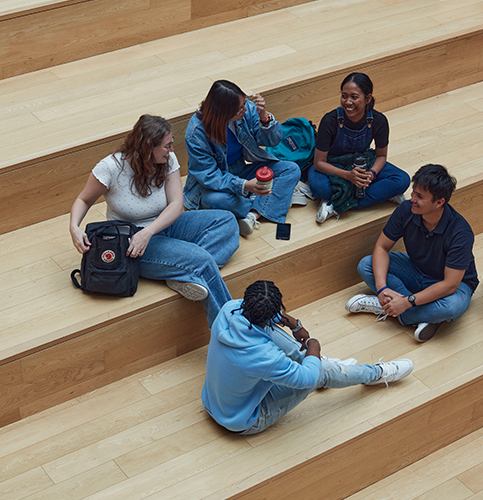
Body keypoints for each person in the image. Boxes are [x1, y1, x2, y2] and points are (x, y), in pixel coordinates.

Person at [69, 114, 239, 327]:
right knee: (201, 260)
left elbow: (177, 204)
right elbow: (83, 200)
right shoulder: (111, 167)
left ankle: (183, 274)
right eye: (167, 146)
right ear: (148, 147)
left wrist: (149, 232)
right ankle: (231, 331)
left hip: (161, 225)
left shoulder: (167, 160)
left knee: (227, 221)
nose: (172, 150)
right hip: (132, 242)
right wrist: (74, 227)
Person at [202, 280, 414, 434]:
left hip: (214, 401)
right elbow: (308, 379)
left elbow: (263, 315)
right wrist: (314, 348)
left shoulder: (229, 310)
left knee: (272, 333)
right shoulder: (266, 357)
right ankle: (375, 374)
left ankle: (325, 367)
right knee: (319, 373)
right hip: (244, 418)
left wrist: (294, 324)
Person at [346, 164, 479, 342]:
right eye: (413, 192)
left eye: (420, 196)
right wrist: (382, 288)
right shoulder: (406, 210)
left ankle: (391, 309)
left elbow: (449, 285)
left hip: (453, 285)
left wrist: (407, 302)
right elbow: (381, 247)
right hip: (416, 270)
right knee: (367, 264)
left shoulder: (460, 233)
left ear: (439, 202)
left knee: (452, 307)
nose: (412, 199)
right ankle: (421, 314)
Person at [183, 80, 302, 237]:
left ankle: (253, 214)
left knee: (291, 169)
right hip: (212, 185)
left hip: (240, 170)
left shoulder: (247, 110)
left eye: (244, 103)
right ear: (222, 114)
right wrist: (244, 185)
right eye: (239, 110)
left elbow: (273, 141)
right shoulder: (196, 133)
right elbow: (209, 176)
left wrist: (264, 118)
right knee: (214, 200)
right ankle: (274, 199)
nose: (245, 110)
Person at [308, 72, 410, 223]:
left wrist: (372, 174)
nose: (348, 102)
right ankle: (380, 194)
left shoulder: (378, 120)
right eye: (344, 96)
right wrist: (348, 175)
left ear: (367, 98)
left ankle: (336, 204)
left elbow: (381, 156)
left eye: (354, 97)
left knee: (402, 180)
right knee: (321, 188)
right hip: (332, 165)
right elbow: (319, 162)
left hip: (363, 162)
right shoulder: (330, 120)